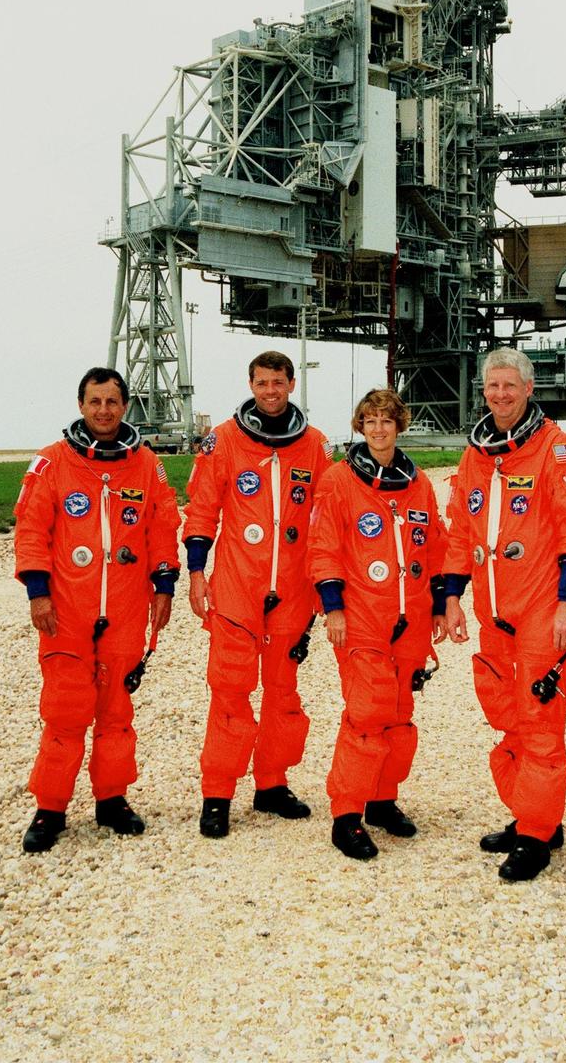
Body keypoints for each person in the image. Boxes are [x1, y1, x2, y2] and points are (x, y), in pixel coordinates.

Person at [443, 349, 566, 882]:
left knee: (539, 720)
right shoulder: (477, 455)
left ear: (529, 389)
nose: (501, 395)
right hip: (494, 610)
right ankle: (535, 814)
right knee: (507, 715)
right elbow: (461, 529)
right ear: (483, 391)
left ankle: (536, 835)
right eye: (492, 386)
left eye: (511, 386)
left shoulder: (558, 451)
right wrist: (451, 596)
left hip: (542, 609)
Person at [14, 368, 180, 853]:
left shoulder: (147, 465)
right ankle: (51, 809)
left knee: (116, 711)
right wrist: (38, 592)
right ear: (81, 405)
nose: (104, 410)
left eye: (112, 401)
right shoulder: (52, 462)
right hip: (66, 608)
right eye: (95, 401)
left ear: (125, 406)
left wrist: (164, 584)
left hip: (126, 608)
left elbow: (162, 525)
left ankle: (112, 800)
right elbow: (30, 530)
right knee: (65, 712)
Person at [184, 351, 332, 838]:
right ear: (251, 384)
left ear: (292, 385)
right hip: (236, 587)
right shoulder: (223, 440)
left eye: (278, 382)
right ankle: (218, 793)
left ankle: (271, 783)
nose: (270, 391)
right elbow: (202, 510)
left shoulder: (313, 445)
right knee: (230, 690)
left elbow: (325, 521)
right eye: (262, 383)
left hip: (291, 590)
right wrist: (197, 572)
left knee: (284, 692)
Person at [308, 389, 448, 860]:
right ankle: (346, 815)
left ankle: (382, 799)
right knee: (366, 713)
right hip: (362, 617)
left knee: (399, 713)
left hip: (410, 619)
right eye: (370, 421)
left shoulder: (419, 484)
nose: (379, 428)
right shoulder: (339, 481)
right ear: (360, 427)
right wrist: (333, 608)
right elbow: (322, 546)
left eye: (387, 420)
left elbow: (435, 546)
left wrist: (445, 603)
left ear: (399, 425)